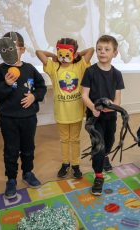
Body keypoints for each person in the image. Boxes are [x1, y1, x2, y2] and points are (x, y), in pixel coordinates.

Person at [0, 32, 47, 199]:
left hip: (29, 117)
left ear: (22, 49)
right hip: (8, 118)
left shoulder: (30, 69)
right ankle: (11, 179)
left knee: (28, 148)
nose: (10, 52)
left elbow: (41, 87)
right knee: (11, 150)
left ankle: (28, 172)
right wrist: (6, 84)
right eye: (6, 49)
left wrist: (34, 96)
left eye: (14, 48)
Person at [36, 38, 94, 179]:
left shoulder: (80, 65)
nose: (63, 58)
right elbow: (38, 52)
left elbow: (91, 50)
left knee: (74, 140)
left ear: (73, 54)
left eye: (67, 55)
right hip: (61, 113)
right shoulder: (54, 67)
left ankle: (75, 164)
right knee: (64, 140)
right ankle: (65, 163)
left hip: (76, 112)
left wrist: (77, 54)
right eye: (60, 54)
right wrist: (53, 56)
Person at [81, 35, 124, 196]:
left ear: (115, 53)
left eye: (106, 49)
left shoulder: (117, 74)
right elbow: (84, 94)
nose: (102, 52)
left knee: (109, 141)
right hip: (94, 117)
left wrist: (113, 107)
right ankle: (99, 175)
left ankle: (106, 155)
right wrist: (93, 108)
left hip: (110, 116)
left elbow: (117, 96)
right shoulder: (90, 72)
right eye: (99, 49)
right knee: (98, 145)